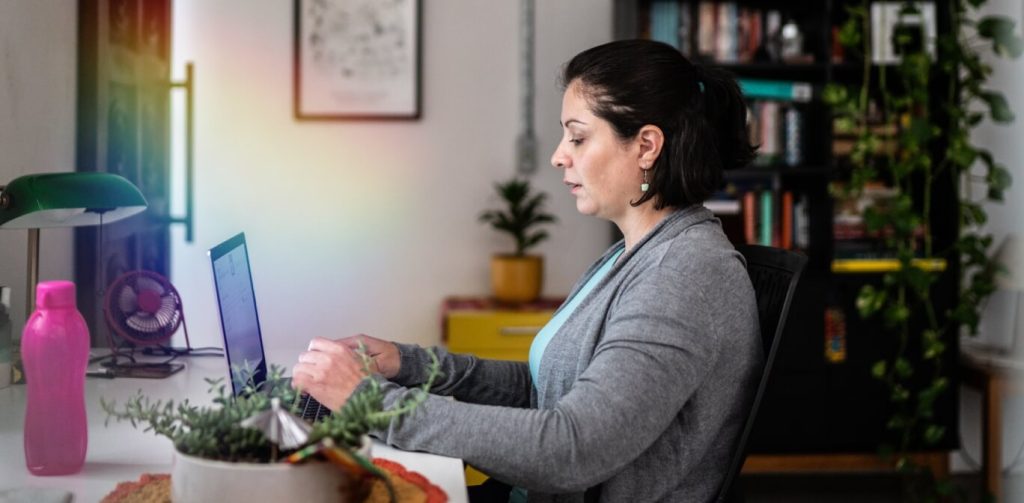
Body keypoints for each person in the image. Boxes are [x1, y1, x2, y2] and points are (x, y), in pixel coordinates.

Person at [292, 39, 761, 503]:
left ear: (646, 146)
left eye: (578, 137)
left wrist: (370, 402)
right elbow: (545, 390)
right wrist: (408, 364)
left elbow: (572, 450)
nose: (559, 155)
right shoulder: (634, 256)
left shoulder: (686, 275)